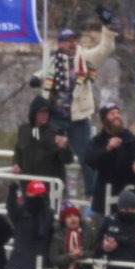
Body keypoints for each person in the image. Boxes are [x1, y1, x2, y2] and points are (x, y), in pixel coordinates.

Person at [42, 18, 116, 198]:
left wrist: (107, 28)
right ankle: (52, 192)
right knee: (48, 152)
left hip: (78, 118)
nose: (72, 44)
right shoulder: (53, 61)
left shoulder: (85, 58)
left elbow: (105, 49)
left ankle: (92, 194)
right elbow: (44, 74)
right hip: (56, 117)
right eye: (68, 41)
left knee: (87, 156)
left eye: (74, 40)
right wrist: (36, 79)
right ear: (60, 44)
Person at [85, 103, 135, 215]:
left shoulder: (130, 138)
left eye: (118, 113)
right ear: (104, 120)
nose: (116, 116)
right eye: (112, 114)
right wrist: (108, 148)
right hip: (103, 197)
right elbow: (90, 160)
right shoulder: (97, 141)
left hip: (127, 195)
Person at [12, 96, 74, 186]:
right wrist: (16, 164)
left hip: (50, 186)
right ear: (34, 113)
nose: (45, 115)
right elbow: (19, 151)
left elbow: (67, 159)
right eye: (41, 112)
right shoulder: (24, 130)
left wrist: (65, 147)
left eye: (47, 112)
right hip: (28, 185)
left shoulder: (56, 132)